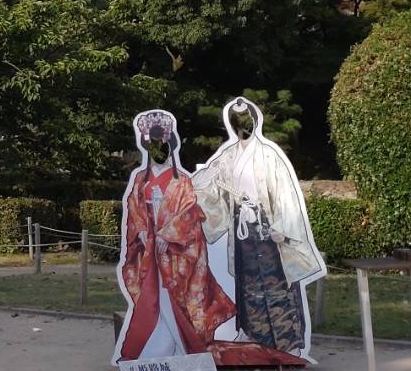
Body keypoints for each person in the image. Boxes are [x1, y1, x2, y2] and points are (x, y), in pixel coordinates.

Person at [192, 96, 326, 360]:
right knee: (247, 282)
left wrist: (282, 226)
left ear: (254, 120)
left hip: (268, 227)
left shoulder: (269, 154)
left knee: (277, 283)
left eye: (245, 119)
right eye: (236, 121)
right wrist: (193, 187)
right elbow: (209, 186)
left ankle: (287, 341)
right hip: (243, 228)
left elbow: (284, 193)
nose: (241, 125)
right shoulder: (228, 156)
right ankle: (254, 336)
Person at [114, 109, 236, 364]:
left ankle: (180, 348)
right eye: (152, 142)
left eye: (161, 141)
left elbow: (189, 213)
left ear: (169, 143)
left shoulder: (182, 180)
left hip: (173, 253)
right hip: (148, 250)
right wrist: (146, 233)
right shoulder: (139, 178)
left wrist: (167, 236)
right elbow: (135, 212)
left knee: (171, 299)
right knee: (150, 299)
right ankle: (152, 352)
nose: (157, 147)